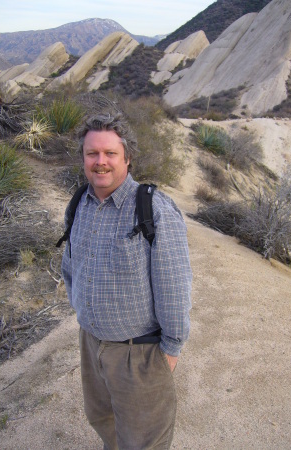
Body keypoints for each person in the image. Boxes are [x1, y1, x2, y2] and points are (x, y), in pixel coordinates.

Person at [61, 113, 192, 450]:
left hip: (140, 354)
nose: (100, 162)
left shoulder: (153, 209)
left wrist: (171, 349)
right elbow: (70, 267)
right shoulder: (80, 203)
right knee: (103, 421)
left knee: (144, 440)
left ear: (128, 158)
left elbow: (174, 288)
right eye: (92, 154)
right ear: (83, 158)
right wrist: (82, 310)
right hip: (91, 344)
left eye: (110, 154)